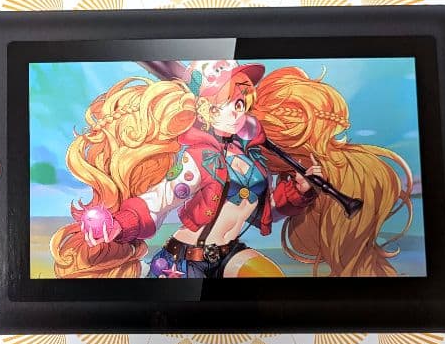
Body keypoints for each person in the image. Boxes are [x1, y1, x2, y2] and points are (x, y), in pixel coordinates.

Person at [50, 61, 413, 278]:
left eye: (241, 102)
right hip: (182, 263)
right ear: (206, 111)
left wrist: (299, 191)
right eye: (227, 104)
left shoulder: (254, 159)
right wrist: (119, 224)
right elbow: (158, 201)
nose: (238, 111)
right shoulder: (198, 160)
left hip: (230, 253)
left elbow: (264, 210)